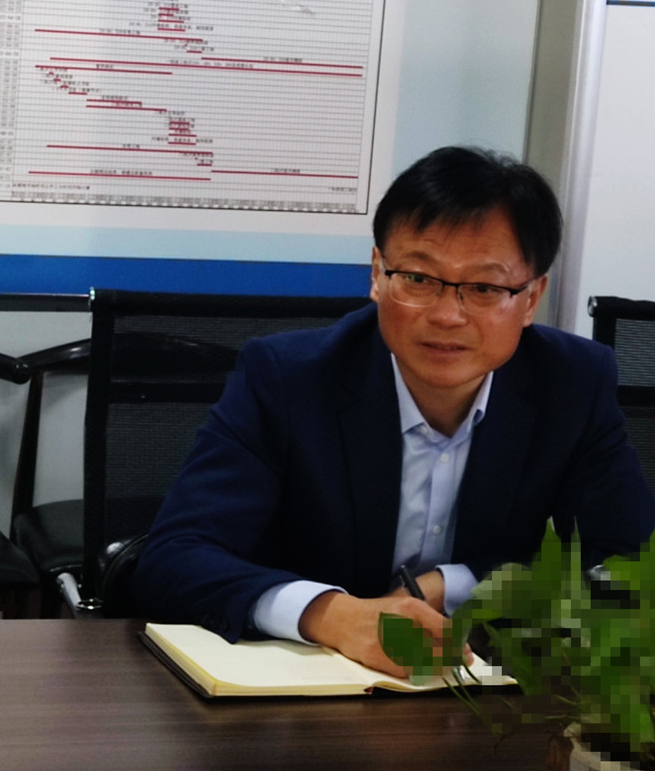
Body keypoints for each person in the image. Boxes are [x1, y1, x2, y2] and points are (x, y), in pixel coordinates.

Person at [130, 146, 655, 677]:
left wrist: (454, 584)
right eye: (419, 279)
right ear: (378, 274)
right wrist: (332, 615)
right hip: (302, 689)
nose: (447, 315)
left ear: (531, 298)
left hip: (481, 691)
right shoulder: (286, 378)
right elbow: (174, 557)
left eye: (484, 287)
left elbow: (629, 564)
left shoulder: (572, 383)